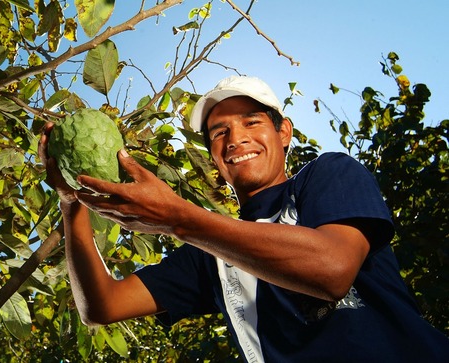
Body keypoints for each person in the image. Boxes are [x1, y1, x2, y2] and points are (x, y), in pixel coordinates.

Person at [38, 76, 449, 362]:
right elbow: (102, 306)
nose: (236, 139)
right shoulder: (209, 253)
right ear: (214, 156)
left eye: (252, 122)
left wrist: (178, 219)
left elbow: (333, 269)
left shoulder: (326, 176)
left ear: (284, 132)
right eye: (219, 133)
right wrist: (71, 201)